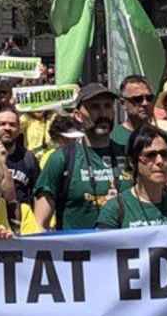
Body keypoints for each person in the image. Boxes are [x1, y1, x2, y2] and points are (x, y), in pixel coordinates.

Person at [33, 84, 122, 231]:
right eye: (94, 107)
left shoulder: (130, 155)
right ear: (77, 115)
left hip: (124, 250)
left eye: (107, 106)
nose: (103, 113)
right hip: (77, 251)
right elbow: (39, 225)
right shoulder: (61, 159)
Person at [97, 125, 167, 229]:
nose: (160, 161)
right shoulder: (115, 210)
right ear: (132, 162)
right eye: (150, 155)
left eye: (164, 154)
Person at [108, 75, 167, 186]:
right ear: (123, 103)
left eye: (149, 98)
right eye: (137, 99)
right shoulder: (112, 139)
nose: (145, 103)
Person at [0, 108, 41, 205]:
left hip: (22, 217)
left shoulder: (29, 158)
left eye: (12, 124)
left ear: (19, 129)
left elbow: (38, 193)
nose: (7, 128)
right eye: (2, 124)